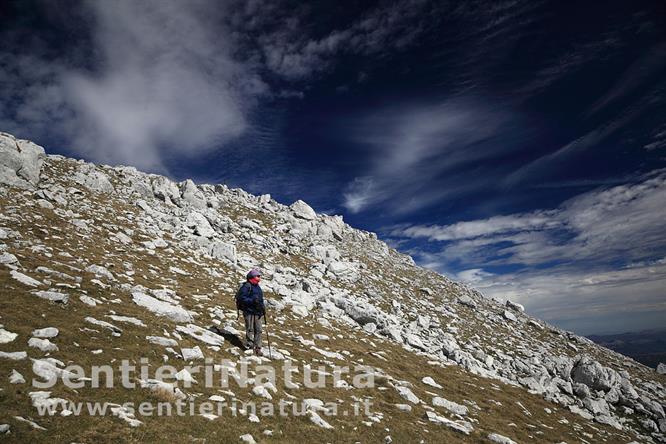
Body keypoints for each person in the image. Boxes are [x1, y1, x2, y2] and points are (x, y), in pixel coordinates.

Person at [236, 268, 265, 356]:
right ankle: (250, 346)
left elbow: (260, 299)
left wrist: (262, 308)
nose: (259, 278)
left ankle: (258, 347)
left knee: (259, 330)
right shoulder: (246, 286)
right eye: (258, 276)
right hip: (249, 311)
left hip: (257, 312)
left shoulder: (257, 286)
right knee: (250, 329)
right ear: (252, 277)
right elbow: (241, 298)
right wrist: (252, 300)